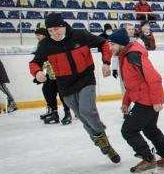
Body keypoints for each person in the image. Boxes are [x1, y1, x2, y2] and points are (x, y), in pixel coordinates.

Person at [29, 13, 120, 163]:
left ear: (63, 26)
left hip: (85, 79)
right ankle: (103, 143)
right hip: (65, 86)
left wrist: (106, 63)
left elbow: (104, 43)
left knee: (87, 111)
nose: (54, 34)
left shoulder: (80, 35)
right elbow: (34, 63)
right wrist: (37, 72)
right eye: (50, 31)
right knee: (83, 117)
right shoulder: (46, 45)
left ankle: (100, 136)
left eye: (56, 29)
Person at [107, 28, 164, 173]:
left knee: (128, 130)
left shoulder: (134, 57)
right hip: (143, 99)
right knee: (150, 129)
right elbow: (131, 85)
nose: (110, 48)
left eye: (112, 44)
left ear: (121, 44)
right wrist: (126, 102)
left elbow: (155, 79)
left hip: (147, 101)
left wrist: (157, 101)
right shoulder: (124, 57)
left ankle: (148, 158)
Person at [34, 28, 71, 125]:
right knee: (49, 92)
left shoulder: (51, 43)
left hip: (60, 74)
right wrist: (39, 73)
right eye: (36, 35)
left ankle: (68, 113)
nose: (37, 37)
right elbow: (41, 61)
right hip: (50, 74)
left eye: (39, 35)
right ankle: (54, 113)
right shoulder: (42, 44)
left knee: (63, 94)